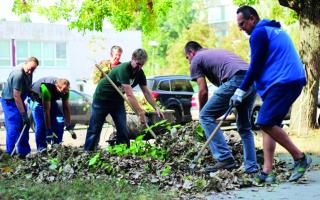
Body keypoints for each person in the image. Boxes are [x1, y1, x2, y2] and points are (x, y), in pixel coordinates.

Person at [233, 5, 311, 183]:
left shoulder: (259, 33)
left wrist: (240, 90)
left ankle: (299, 157)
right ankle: (267, 172)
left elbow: (255, 65)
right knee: (269, 124)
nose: (241, 28)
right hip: (285, 81)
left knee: (264, 121)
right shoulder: (272, 30)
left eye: (242, 23)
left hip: (284, 82)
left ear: (252, 18)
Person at [184, 41, 258, 173]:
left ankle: (225, 158)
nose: (188, 61)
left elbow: (203, 91)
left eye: (187, 57)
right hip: (251, 81)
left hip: (236, 80)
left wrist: (202, 113)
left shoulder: (196, 59)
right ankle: (251, 166)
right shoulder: (214, 52)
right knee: (244, 127)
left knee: (205, 116)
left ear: (191, 52)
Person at [84, 48, 163, 151]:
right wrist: (140, 113)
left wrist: (155, 106)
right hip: (102, 99)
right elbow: (129, 95)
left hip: (117, 101)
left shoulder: (140, 73)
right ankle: (88, 151)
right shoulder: (123, 70)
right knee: (95, 128)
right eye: (138, 64)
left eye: (142, 65)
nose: (139, 67)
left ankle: (124, 154)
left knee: (123, 129)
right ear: (132, 59)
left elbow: (146, 92)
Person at [1, 57, 39, 157]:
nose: (31, 71)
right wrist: (23, 114)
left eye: (33, 69)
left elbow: (28, 87)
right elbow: (16, 96)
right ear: (25, 64)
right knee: (14, 127)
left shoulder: (29, 73)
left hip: (19, 100)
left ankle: (24, 153)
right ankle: (10, 154)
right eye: (30, 68)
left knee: (24, 126)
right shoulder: (18, 74)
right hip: (10, 102)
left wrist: (32, 93)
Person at [28, 77, 72, 152]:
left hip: (50, 99)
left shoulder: (65, 90)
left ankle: (56, 145)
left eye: (66, 91)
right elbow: (46, 111)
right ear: (57, 87)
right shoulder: (46, 88)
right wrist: (49, 130)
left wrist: (68, 124)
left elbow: (66, 108)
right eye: (62, 91)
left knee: (59, 120)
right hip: (37, 100)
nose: (64, 93)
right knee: (41, 124)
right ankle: (42, 148)